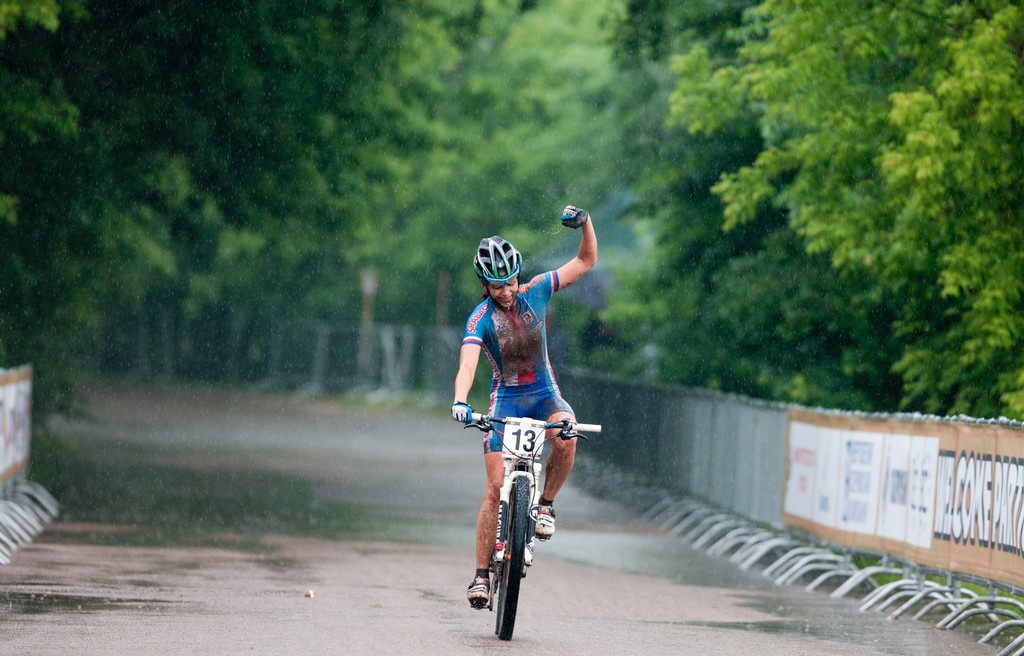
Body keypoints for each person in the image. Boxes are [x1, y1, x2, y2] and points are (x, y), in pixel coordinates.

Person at [450, 205, 597, 609]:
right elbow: (468, 364)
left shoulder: (538, 290)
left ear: (518, 274)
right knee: (495, 487)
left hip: (545, 394)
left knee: (567, 436)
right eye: (495, 285)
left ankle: (546, 505)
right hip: (507, 400)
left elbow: (586, 260)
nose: (505, 291)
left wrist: (585, 224)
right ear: (484, 284)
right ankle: (481, 576)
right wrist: (461, 401)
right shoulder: (479, 318)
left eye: (509, 281)